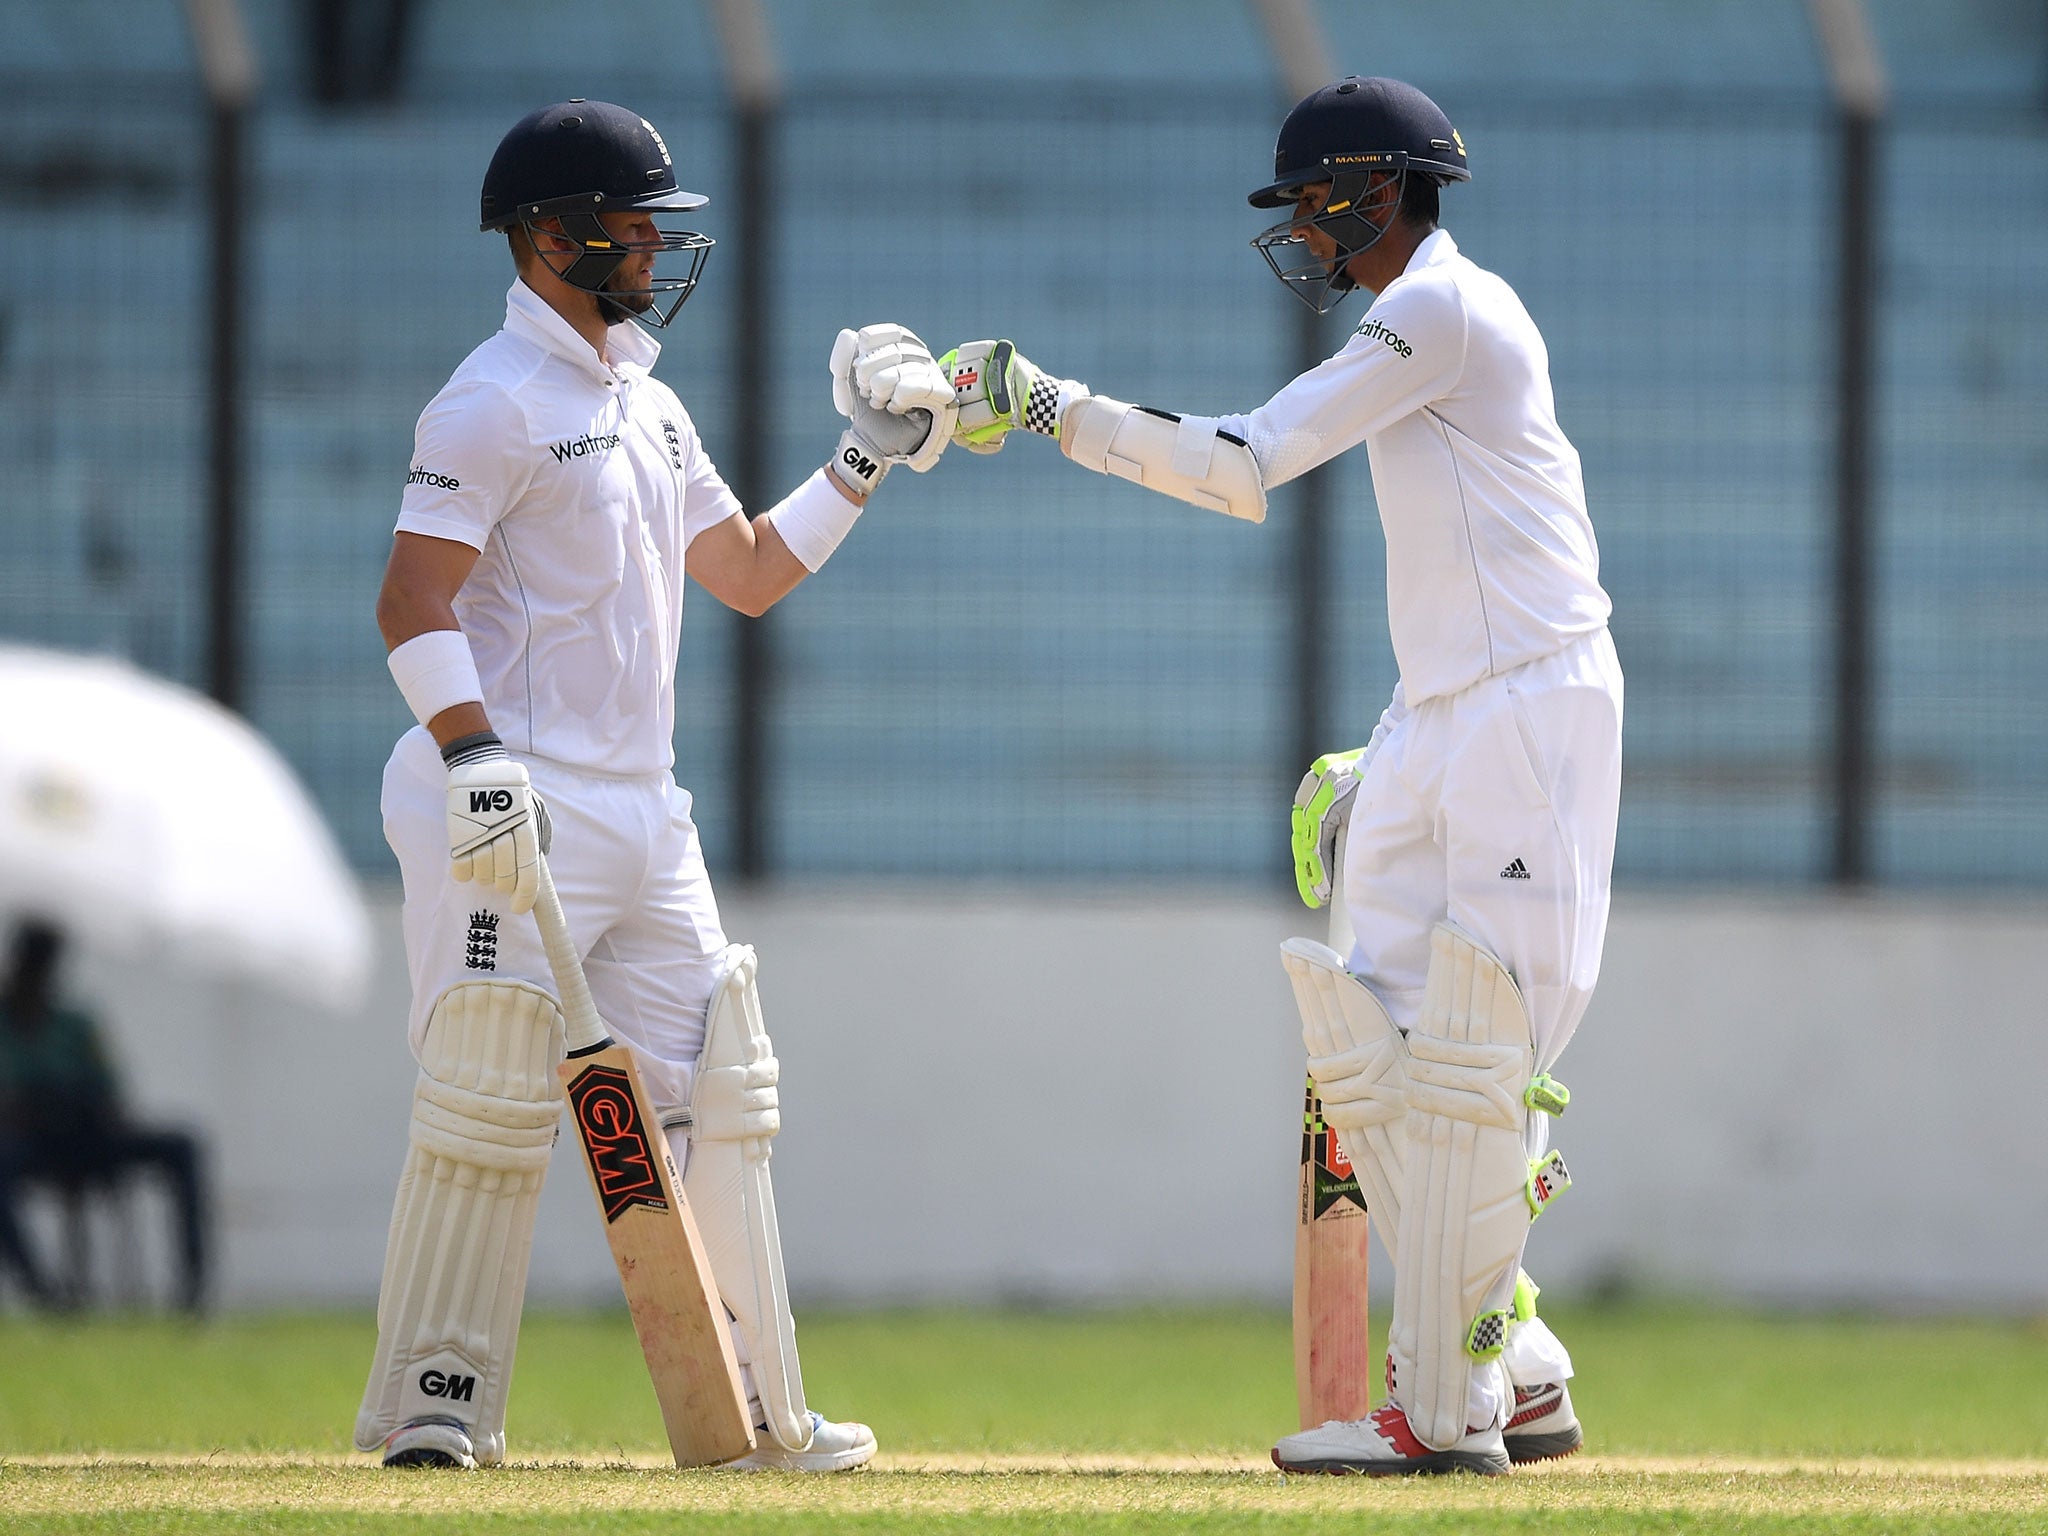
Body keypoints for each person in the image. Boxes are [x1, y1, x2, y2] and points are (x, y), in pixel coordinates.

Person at [939, 77, 1622, 1476]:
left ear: (1373, 192)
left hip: (1534, 709)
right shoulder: (1413, 317)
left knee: (1484, 1051)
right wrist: (1400, 730)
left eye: (1315, 205)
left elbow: (1249, 464)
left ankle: (1446, 1409)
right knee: (1365, 1027)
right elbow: (1454, 559)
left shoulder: (1442, 306)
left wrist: (1051, 404)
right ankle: (1522, 1357)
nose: (1303, 234)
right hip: (1447, 708)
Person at [359, 98, 954, 1471]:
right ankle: (435, 1409)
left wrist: (864, 460)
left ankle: (758, 1411)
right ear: (550, 237)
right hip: (513, 800)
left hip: (643, 805)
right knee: (490, 1092)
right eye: (631, 225)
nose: (652, 246)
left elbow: (745, 568)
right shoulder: (489, 402)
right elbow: (410, 599)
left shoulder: (647, 396)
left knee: (722, 1098)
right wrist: (471, 756)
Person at [0, 918, 211, 1314]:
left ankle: (192, 1288)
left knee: (183, 1144)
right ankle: (44, 1295)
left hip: (88, 1134)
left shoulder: (75, 1023)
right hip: (30, 1143)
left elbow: (110, 1090)